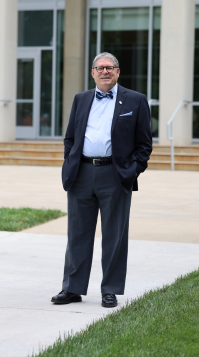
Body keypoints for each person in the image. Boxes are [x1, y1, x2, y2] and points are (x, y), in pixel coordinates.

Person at [51, 52, 152, 308]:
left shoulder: (136, 101)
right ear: (93, 73)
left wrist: (131, 172)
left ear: (118, 72)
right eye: (100, 68)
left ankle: (110, 289)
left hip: (115, 175)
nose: (105, 72)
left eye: (110, 68)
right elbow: (70, 137)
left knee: (114, 236)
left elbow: (144, 145)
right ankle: (72, 288)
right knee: (77, 234)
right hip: (81, 174)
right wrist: (69, 162)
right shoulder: (81, 99)